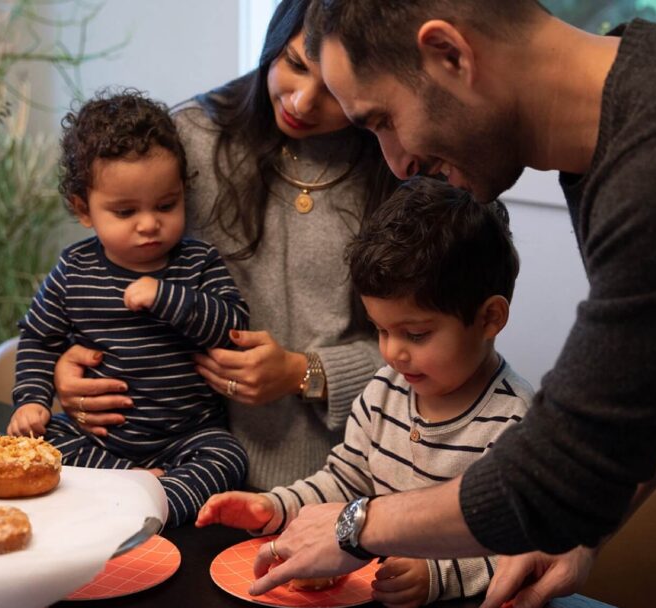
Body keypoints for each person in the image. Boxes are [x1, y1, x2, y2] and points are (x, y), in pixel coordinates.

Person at [247, 1, 656, 608]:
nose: (397, 161)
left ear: (449, 54)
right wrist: (580, 535)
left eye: (383, 120)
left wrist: (356, 524)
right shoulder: (624, 136)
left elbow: (560, 471)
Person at [51, 0, 399, 490]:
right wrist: (66, 367)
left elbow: (445, 348)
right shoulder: (193, 137)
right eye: (295, 65)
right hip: (171, 465)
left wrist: (307, 373)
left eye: (336, 87)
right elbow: (106, 272)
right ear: (273, 42)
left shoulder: (403, 166)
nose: (301, 101)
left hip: (338, 483)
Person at [197, 177, 531, 608]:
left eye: (415, 333)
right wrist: (275, 507)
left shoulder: (515, 421)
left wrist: (436, 576)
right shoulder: (384, 390)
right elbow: (344, 483)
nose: (392, 352)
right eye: (380, 330)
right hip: (372, 607)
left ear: (489, 317)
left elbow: (519, 548)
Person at [8, 89, 250, 528]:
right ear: (84, 210)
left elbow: (232, 326)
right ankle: (130, 487)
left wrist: (167, 297)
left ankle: (154, 504)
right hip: (100, 440)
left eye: (166, 205)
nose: (149, 224)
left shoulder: (198, 263)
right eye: (124, 211)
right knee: (44, 449)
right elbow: (38, 339)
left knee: (227, 457)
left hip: (186, 437)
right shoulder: (73, 270)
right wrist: (31, 401)